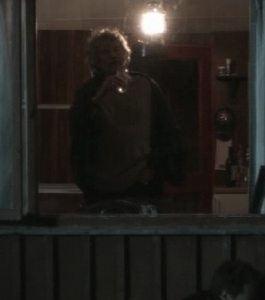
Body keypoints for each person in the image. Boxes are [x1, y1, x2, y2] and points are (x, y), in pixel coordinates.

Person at [69, 27, 186, 208]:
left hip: (142, 182)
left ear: (125, 54)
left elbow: (167, 131)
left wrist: (153, 169)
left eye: (117, 49)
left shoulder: (146, 85)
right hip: (101, 185)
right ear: (96, 59)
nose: (113, 55)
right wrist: (100, 96)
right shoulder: (88, 91)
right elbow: (78, 129)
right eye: (106, 52)